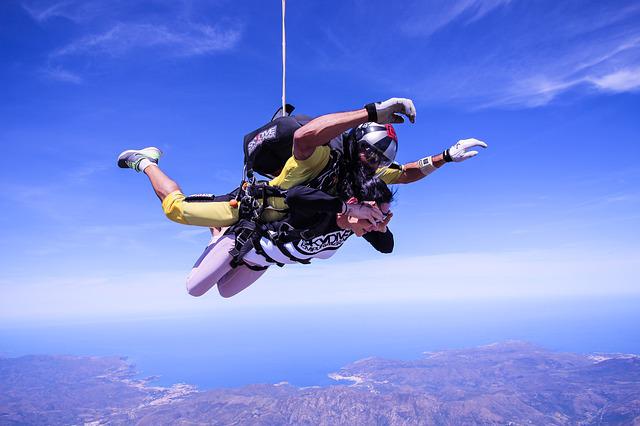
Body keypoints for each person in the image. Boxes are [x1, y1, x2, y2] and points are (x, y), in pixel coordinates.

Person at [117, 97, 487, 229]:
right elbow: (305, 136)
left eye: (377, 159)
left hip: (285, 222)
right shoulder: (326, 155)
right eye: (369, 152)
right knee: (176, 211)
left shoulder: (365, 173)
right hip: (254, 210)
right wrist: (370, 111)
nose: (371, 162)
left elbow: (405, 173)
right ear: (356, 143)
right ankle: (145, 162)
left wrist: (446, 157)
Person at [185, 178, 394, 298]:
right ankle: (218, 234)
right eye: (373, 217)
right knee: (195, 289)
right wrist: (348, 208)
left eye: (381, 218)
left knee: (225, 291)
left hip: (261, 261)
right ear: (356, 204)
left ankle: (218, 250)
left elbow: (387, 247)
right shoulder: (323, 211)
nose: (374, 224)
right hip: (244, 242)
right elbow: (296, 195)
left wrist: (382, 228)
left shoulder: (355, 228)